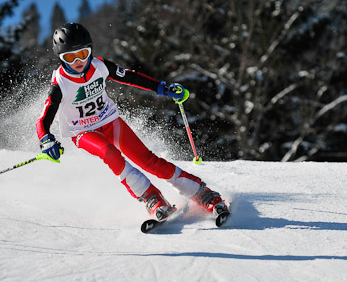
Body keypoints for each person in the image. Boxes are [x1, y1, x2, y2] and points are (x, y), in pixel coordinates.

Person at [36, 22, 227, 221]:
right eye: (69, 57)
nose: (78, 61)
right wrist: (46, 140)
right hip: (82, 132)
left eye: (83, 54)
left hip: (109, 120)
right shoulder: (60, 84)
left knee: (148, 160)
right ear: (60, 58)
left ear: (90, 51)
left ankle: (202, 193)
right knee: (110, 153)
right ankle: (151, 198)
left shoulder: (100, 66)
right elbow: (42, 120)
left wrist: (162, 88)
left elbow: (130, 77)